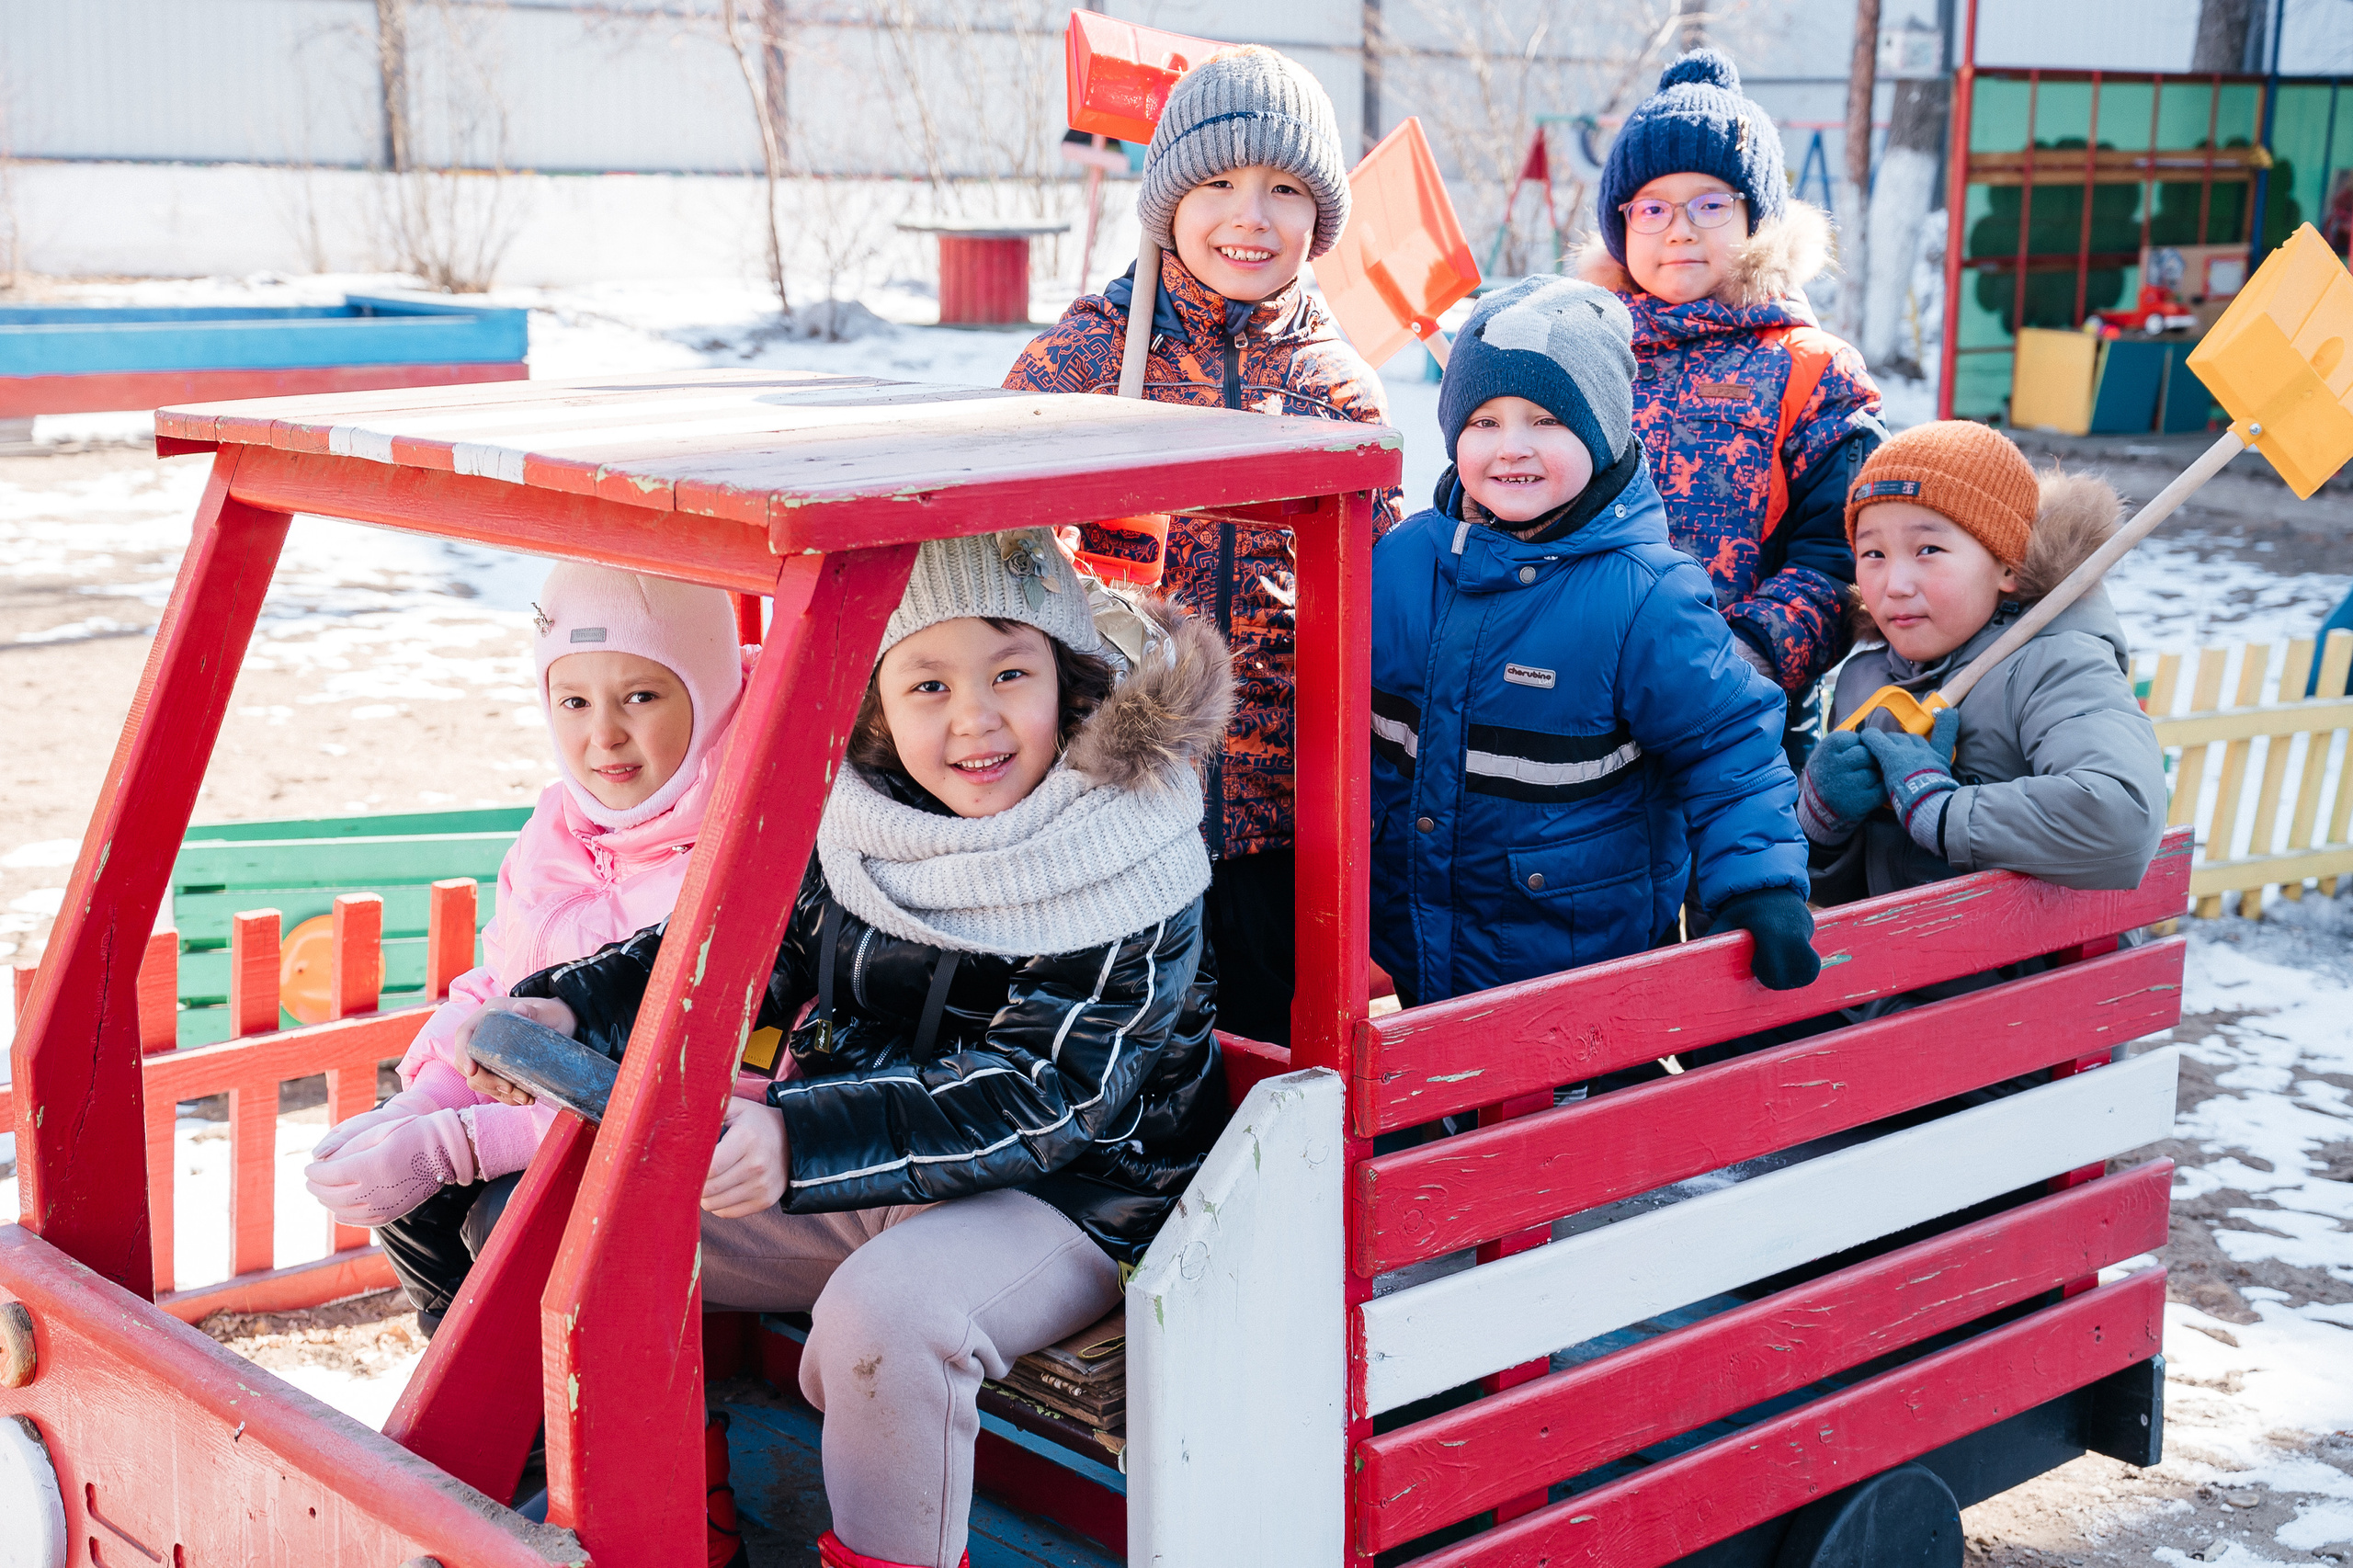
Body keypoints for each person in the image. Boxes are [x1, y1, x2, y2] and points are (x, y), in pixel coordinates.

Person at [461, 530, 1233, 1568]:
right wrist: (571, 1004)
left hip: (1071, 1197)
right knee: (557, 1235)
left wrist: (798, 1139)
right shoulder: (867, 828)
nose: (974, 717)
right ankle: (675, 1522)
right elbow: (734, 941)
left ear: (1071, 679)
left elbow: (1047, 1094)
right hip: (862, 1159)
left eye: (1011, 671)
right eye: (926, 684)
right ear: (879, 703)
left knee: (887, 1318)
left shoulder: (1127, 856)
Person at [1005, 43, 1401, 1045]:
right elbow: (994, 549)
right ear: (1168, 199)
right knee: (1117, 1048)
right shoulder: (1088, 358)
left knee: (1267, 1057)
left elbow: (1376, 593)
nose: (1249, 217)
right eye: (1218, 182)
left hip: (1279, 816)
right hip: (1106, 797)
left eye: (1282, 188)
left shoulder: (1335, 386)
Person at [302, 564, 752, 1334]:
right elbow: (497, 976)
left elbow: (727, 1073)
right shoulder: (556, 828)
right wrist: (428, 1098)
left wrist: (471, 1143)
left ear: (708, 698)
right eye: (573, 700)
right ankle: (467, 1386)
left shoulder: (745, 848)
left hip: (672, 1149)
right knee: (414, 1201)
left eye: (640, 696)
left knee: (514, 1219)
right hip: (530, 1107)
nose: (602, 735)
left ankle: (563, 1433)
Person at [1370, 276, 1818, 1017]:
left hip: (1574, 963)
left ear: (1604, 431)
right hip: (1412, 939)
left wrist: (1762, 885)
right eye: (1483, 422)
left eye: (1546, 420)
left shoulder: (1645, 593)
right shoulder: (1406, 560)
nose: (1511, 447)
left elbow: (1728, 750)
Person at [1581, 49, 1885, 761]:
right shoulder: (1585, 353)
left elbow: (1839, 557)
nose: (1680, 229)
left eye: (1711, 205)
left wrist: (1742, 656)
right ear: (1622, 227)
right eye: (1652, 207)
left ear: (1758, 219)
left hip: (1739, 726)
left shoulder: (1812, 370)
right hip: (1576, 712)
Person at [1802, 421, 2166, 938]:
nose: (1895, 585)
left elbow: (2124, 818)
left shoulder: (2053, 665)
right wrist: (1824, 827)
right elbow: (1852, 898)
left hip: (2029, 998)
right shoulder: (1865, 680)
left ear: (2007, 564)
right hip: (1892, 989)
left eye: (1928, 549)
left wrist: (1944, 812)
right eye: (1873, 554)